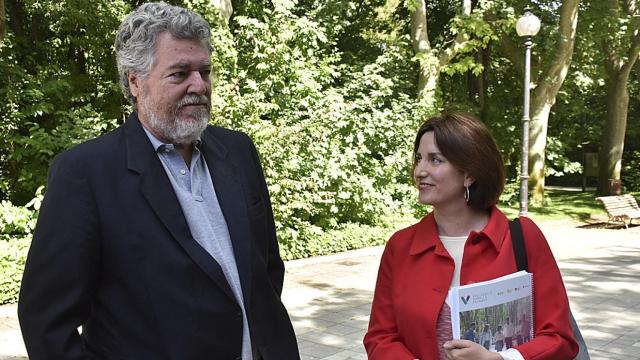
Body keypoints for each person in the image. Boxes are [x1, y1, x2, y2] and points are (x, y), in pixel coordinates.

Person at [18, 2, 299, 359]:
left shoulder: (238, 151)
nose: (199, 85)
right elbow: (46, 323)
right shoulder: (85, 174)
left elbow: (267, 271)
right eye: (180, 74)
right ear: (135, 82)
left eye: (205, 71)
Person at [363, 112, 578, 360]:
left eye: (435, 160)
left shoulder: (523, 237)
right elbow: (380, 337)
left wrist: (502, 359)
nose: (420, 171)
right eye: (419, 159)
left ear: (469, 173)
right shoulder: (400, 246)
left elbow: (560, 338)